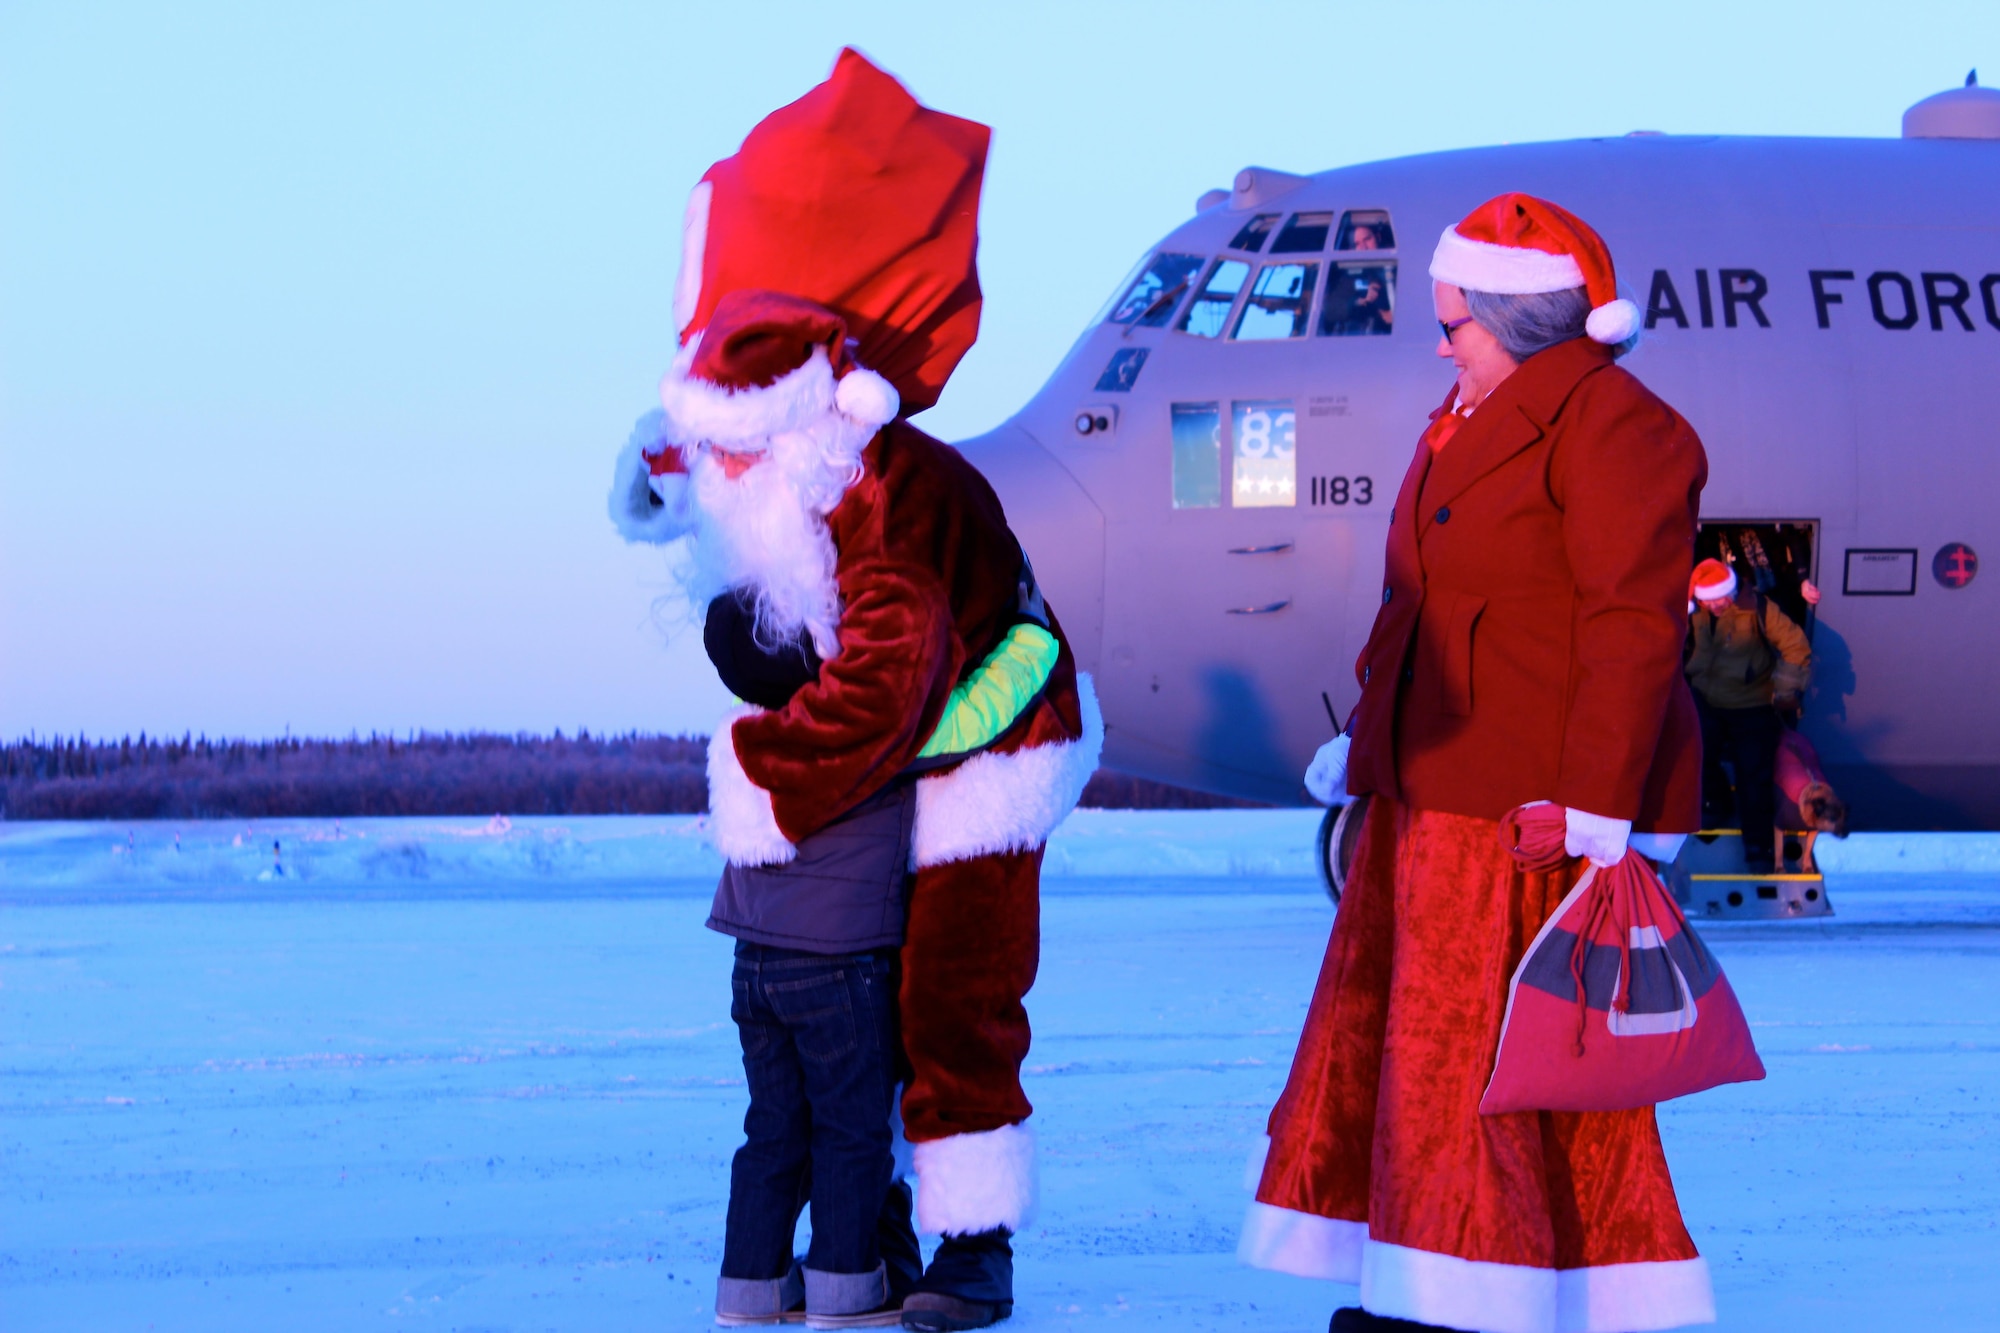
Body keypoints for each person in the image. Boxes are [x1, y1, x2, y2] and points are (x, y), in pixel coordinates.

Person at [608, 50, 1101, 1333]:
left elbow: (886, 674)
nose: (717, 468)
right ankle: (870, 1217)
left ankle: (971, 1240)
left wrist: (765, 778)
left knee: (949, 992)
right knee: (856, 1011)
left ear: (794, 423)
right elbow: (687, 479)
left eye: (730, 444)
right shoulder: (781, 463)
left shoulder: (889, 493)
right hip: (907, 745)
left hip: (992, 743)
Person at [1258, 194, 1715, 1333]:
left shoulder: (1615, 427)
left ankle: (1472, 1298)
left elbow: (1631, 628)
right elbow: (1414, 604)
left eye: (1452, 318)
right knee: (1401, 1055)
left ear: (1515, 318)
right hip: (1426, 786)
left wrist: (1600, 806)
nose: (1438, 338)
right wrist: (1361, 738)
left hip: (1521, 803)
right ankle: (1416, 1278)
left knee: (1478, 1064)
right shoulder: (1461, 416)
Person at [1683, 557, 1813, 871]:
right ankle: (1715, 805)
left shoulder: (1758, 608)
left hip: (1752, 704)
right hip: (1705, 699)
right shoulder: (1693, 613)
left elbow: (1796, 645)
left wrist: (1784, 689)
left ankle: (1760, 848)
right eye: (1707, 601)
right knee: (1695, 755)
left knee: (1754, 778)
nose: (1715, 606)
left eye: (1719, 599)